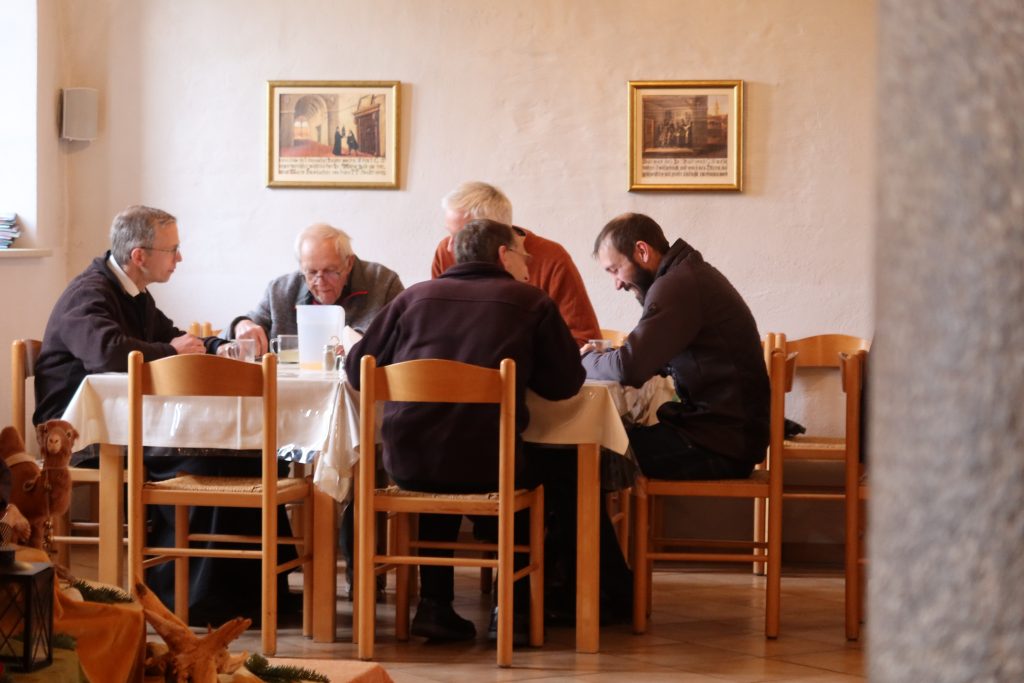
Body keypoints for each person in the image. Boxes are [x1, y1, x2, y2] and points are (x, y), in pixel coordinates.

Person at [31, 205, 291, 626]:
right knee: (207, 459)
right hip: (81, 431)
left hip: (129, 421)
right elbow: (107, 354)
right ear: (139, 256)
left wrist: (217, 346)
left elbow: (172, 335)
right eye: (172, 250)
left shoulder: (134, 293)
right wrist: (171, 351)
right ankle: (195, 598)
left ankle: (254, 594)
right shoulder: (89, 293)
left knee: (248, 455)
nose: (179, 258)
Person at [346, 218, 585, 641]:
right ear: (503, 255)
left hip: (409, 464)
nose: (528, 264)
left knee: (440, 449)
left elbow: (356, 371)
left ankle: (434, 605)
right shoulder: (531, 302)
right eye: (523, 256)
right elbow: (565, 384)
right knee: (536, 465)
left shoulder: (412, 298)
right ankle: (510, 609)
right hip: (491, 466)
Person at [581, 212, 770, 481]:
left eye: (615, 269)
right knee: (603, 444)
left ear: (642, 251)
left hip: (719, 446)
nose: (617, 284)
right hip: (727, 438)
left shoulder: (677, 286)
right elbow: (649, 357)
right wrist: (606, 357)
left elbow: (630, 369)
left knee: (591, 455)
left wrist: (583, 361)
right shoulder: (688, 276)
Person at [430, 181, 601, 346]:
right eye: (450, 234)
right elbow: (436, 325)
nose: (450, 246)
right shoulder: (445, 253)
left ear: (493, 233)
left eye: (461, 237)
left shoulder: (552, 259)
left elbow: (585, 340)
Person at [228, 222, 404, 356]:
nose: (320, 282)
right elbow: (244, 329)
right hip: (293, 389)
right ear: (301, 267)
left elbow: (407, 338)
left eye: (330, 271)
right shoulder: (280, 291)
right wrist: (241, 324)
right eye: (311, 272)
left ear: (349, 263)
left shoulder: (384, 283)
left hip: (365, 387)